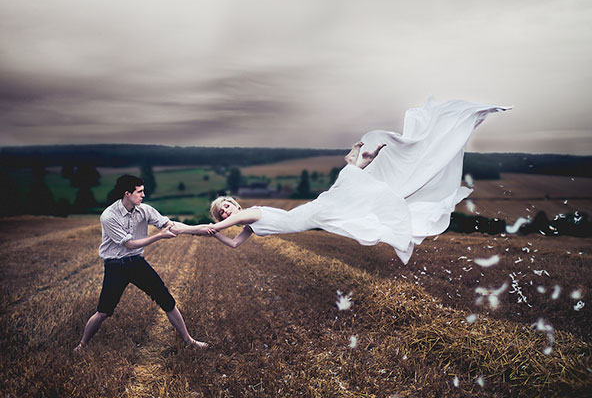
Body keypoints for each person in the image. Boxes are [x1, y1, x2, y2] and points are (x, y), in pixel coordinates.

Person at [173, 98, 511, 264]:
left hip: (309, 214)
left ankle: (361, 158)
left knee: (345, 190)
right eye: (223, 211)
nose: (228, 209)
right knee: (347, 192)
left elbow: (217, 230)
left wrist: (180, 227)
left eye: (227, 204)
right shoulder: (241, 222)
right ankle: (359, 159)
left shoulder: (244, 216)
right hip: (309, 217)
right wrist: (188, 229)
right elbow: (229, 242)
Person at [74, 174, 208, 352]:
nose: (143, 195)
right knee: (103, 311)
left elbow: (168, 224)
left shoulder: (144, 210)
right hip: (116, 265)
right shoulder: (109, 216)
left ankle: (189, 341)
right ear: (127, 193)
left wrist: (198, 229)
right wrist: (159, 236)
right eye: (140, 192)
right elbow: (129, 244)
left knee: (166, 300)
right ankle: (82, 345)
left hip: (136, 263)